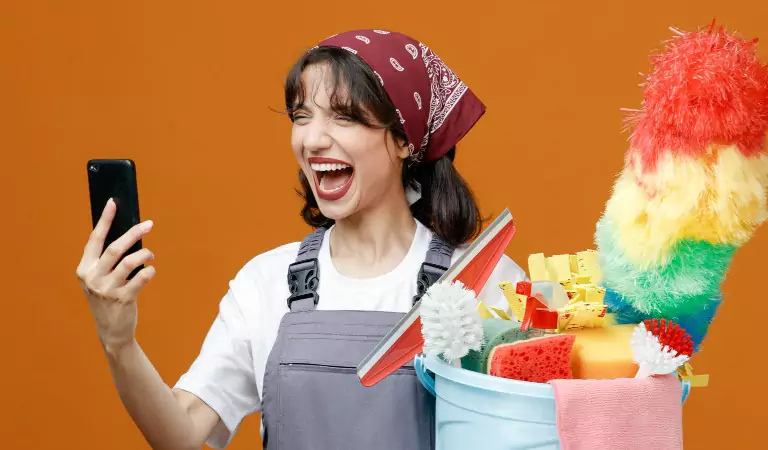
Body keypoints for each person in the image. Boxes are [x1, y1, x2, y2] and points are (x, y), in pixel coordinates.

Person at [76, 29, 528, 450]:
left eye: (344, 117)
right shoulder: (265, 283)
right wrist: (119, 343)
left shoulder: (482, 282)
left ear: (403, 139)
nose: (312, 140)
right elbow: (185, 434)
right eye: (301, 116)